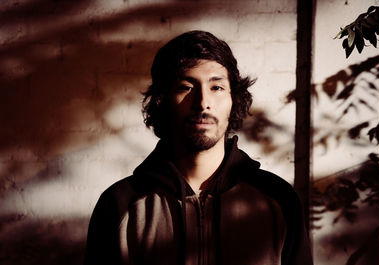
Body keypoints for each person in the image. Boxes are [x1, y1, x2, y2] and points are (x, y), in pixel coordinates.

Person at [84, 30, 313, 265]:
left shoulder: (278, 199)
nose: (203, 103)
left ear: (234, 98)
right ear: (162, 100)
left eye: (217, 88)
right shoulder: (119, 204)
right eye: (186, 87)